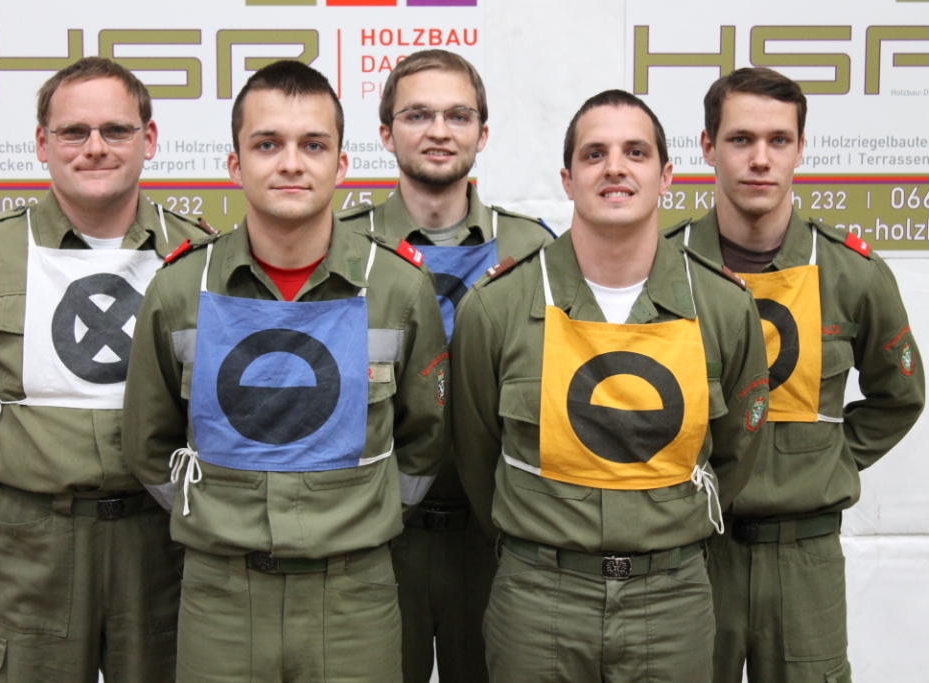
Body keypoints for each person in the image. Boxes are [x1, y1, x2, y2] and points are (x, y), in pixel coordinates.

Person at [121, 59, 449, 683]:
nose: (291, 163)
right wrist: (212, 514)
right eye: (267, 144)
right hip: (220, 601)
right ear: (235, 164)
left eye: (313, 145)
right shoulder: (179, 289)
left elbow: (425, 441)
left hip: (354, 600)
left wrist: (360, 516)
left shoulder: (399, 289)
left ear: (342, 165)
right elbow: (147, 442)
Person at [451, 89, 771, 683]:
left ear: (666, 176)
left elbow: (735, 451)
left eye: (635, 152)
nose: (615, 168)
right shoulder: (496, 308)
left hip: (672, 602)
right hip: (538, 599)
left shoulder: (724, 308)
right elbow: (476, 452)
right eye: (594, 154)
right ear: (568, 180)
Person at [0, 57, 213, 682]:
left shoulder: (198, 258)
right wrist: (23, 493)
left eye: (116, 130)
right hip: (34, 546)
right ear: (42, 143)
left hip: (161, 541)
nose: (95, 148)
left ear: (149, 139)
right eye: (73, 132)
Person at [663, 67, 925, 683]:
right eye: (740, 139)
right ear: (707, 147)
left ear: (801, 149)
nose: (760, 159)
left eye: (778, 140)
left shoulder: (852, 273)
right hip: (691, 555)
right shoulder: (663, 267)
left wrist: (827, 461)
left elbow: (899, 395)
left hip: (805, 559)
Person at [337, 49, 553, 683]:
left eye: (458, 115)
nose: (439, 131)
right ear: (386, 134)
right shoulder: (340, 245)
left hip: (496, 539)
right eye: (417, 115)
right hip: (374, 539)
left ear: (482, 134)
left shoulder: (535, 248)